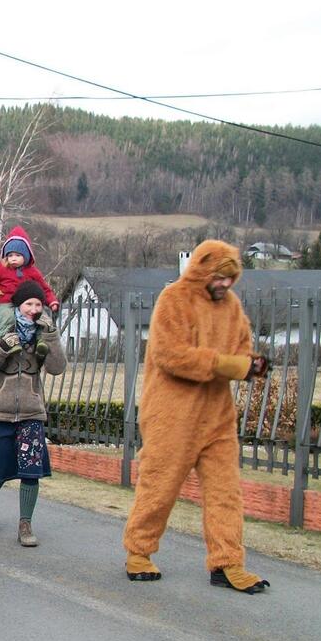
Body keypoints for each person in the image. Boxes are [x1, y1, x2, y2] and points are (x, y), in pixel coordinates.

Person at [123, 240, 272, 593]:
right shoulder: (173, 299)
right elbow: (170, 355)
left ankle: (227, 562)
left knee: (226, 492)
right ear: (202, 269)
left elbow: (241, 351)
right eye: (219, 277)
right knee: (159, 486)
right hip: (171, 414)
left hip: (217, 416)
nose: (224, 284)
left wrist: (251, 365)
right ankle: (139, 552)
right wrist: (228, 364)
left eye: (230, 279)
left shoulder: (233, 308)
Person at [0, 279, 66, 548]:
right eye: (28, 304)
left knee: (31, 469)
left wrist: (51, 335)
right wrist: (1, 345)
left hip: (32, 411)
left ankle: (25, 524)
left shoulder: (44, 330)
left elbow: (57, 368)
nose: (34, 309)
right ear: (18, 305)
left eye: (38, 304)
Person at [0, 227, 60, 358]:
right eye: (10, 255)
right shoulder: (2, 268)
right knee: (6, 317)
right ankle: (10, 340)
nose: (13, 259)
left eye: (17, 255)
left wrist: (52, 301)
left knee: (41, 317)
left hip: (26, 304)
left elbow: (44, 288)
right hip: (5, 302)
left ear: (26, 256)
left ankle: (41, 341)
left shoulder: (33, 272)